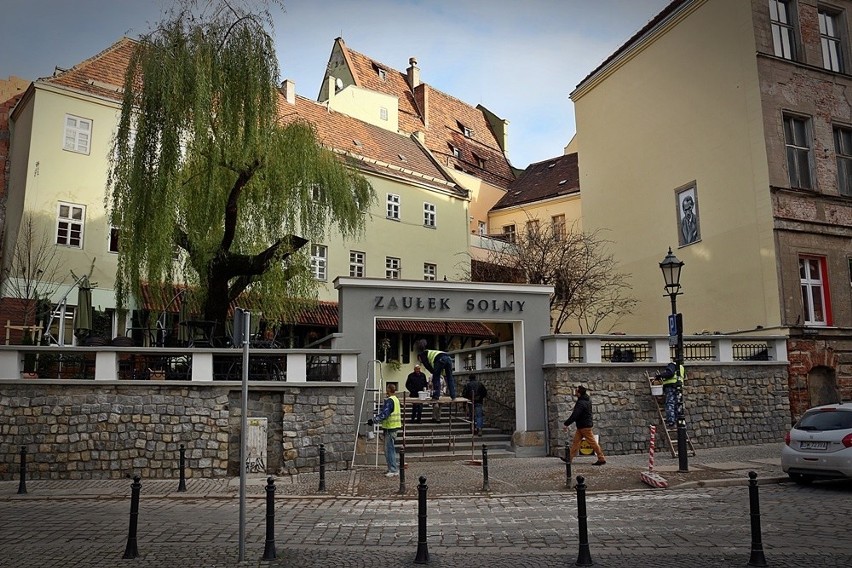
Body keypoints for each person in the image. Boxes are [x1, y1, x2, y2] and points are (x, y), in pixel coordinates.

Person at [562, 385, 606, 465]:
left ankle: (601, 458)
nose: (575, 392)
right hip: (583, 425)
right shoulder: (587, 400)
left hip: (584, 426)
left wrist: (566, 424)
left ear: (579, 393)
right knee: (576, 442)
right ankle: (569, 458)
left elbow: (575, 415)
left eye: (576, 391)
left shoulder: (581, 403)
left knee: (592, 442)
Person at [367, 383, 402, 477]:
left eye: (387, 389)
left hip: (390, 428)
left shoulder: (390, 401)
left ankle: (393, 470)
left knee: (389, 450)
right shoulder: (396, 400)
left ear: (389, 390)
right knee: (391, 449)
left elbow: (384, 414)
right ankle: (392, 468)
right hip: (393, 427)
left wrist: (374, 420)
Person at [655, 360, 686, 428]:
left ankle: (671, 421)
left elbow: (670, 373)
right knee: (677, 403)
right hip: (678, 387)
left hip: (671, 386)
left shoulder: (672, 365)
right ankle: (677, 419)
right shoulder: (681, 367)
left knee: (670, 403)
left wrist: (660, 376)